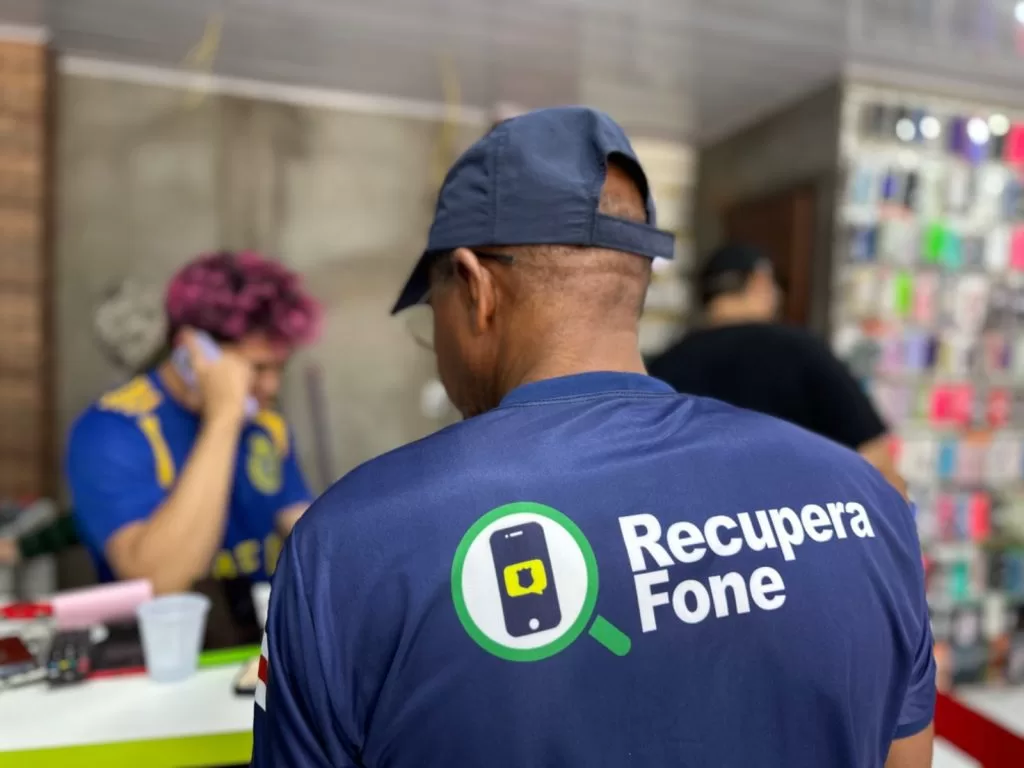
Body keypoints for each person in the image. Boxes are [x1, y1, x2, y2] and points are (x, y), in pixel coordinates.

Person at [252, 108, 934, 768]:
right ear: (635, 279)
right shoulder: (867, 504)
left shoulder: (349, 546)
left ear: (474, 287)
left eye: (434, 310)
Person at [66, 251, 320, 644]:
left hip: (256, 648)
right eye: (257, 368)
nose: (272, 387)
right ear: (192, 351)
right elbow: (162, 581)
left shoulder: (266, 425)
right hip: (165, 655)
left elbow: (309, 536)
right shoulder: (110, 431)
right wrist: (223, 418)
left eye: (279, 368)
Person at [648, 244, 906, 496]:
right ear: (760, 280)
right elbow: (878, 465)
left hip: (696, 520)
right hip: (801, 517)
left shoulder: (665, 364)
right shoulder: (803, 351)